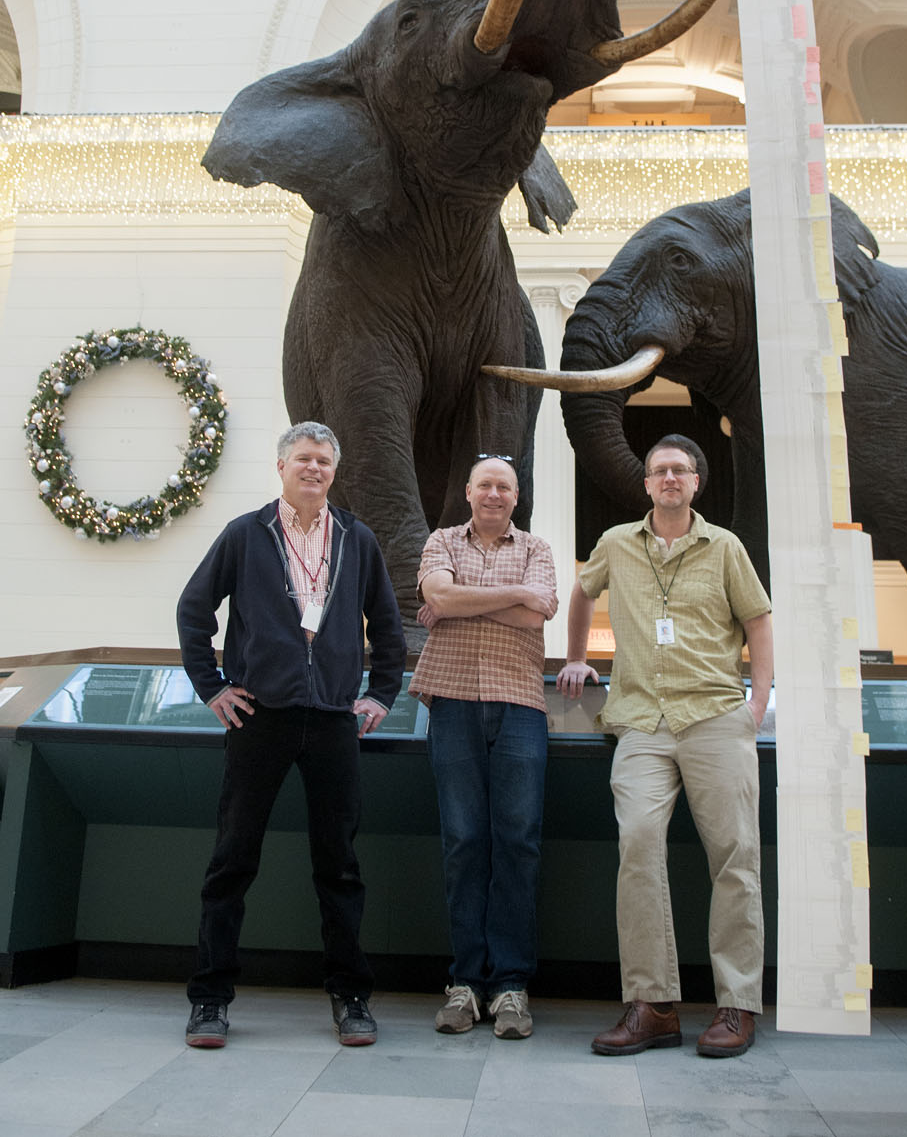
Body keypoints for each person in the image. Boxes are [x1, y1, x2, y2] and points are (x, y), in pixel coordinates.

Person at [176, 421, 406, 1051]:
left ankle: (352, 997)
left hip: (333, 719)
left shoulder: (357, 539)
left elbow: (388, 626)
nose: (314, 469)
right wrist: (212, 685)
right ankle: (210, 1001)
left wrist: (381, 693)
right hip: (259, 717)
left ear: (335, 471)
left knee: (339, 864)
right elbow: (194, 611)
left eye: (325, 461)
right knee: (232, 860)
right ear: (280, 466)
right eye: (303, 459)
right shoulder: (245, 535)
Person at [557, 434, 772, 1059]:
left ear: (695, 482)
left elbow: (758, 621)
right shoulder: (616, 544)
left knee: (735, 856)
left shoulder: (725, 547)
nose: (670, 478)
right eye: (660, 471)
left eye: (681, 469)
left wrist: (755, 704)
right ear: (647, 484)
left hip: (713, 714)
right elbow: (581, 593)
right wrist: (575, 657)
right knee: (639, 844)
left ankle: (736, 1004)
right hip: (642, 723)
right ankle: (652, 1005)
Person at [410, 453, 558, 1040]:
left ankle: (512, 988)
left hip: (521, 703)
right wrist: (509, 596)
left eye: (505, 486)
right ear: (468, 493)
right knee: (464, 842)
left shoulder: (538, 549)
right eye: (485, 485)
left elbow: (537, 613)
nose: (494, 494)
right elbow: (438, 599)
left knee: (517, 843)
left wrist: (462, 600)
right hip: (450, 701)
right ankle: (465, 984)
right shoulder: (441, 539)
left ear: (515, 497)